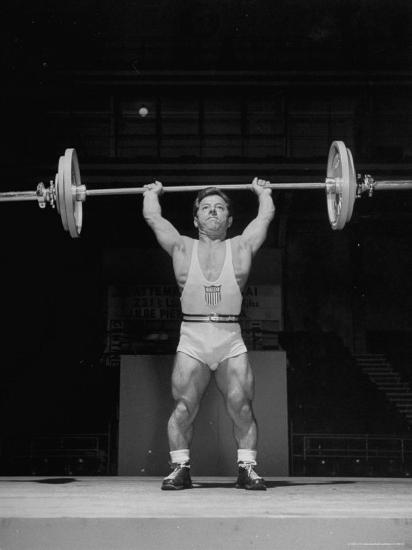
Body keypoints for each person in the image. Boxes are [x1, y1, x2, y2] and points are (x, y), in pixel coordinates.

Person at [143, 178, 275, 490]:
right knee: (184, 408)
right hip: (193, 337)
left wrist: (264, 193)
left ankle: (247, 468)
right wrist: (152, 194)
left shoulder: (241, 246)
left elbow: (264, 217)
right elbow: (153, 217)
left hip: (229, 337)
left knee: (242, 406)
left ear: (229, 219)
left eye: (219, 208)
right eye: (205, 208)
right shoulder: (181, 246)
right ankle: (180, 468)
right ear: (195, 218)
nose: (212, 212)